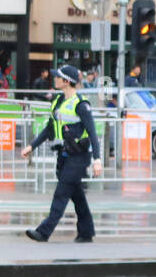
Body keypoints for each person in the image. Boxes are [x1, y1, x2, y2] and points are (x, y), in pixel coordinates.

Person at [23, 64, 102, 243]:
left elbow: (92, 133)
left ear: (66, 81)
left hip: (79, 157)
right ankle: (86, 231)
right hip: (64, 156)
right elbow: (49, 130)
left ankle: (43, 232)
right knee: (77, 196)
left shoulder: (81, 105)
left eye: (58, 77)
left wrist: (97, 159)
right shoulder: (58, 102)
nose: (55, 79)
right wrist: (31, 146)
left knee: (61, 193)